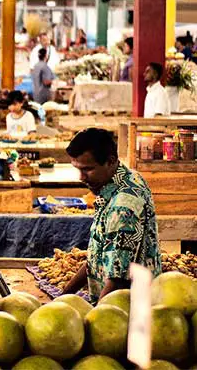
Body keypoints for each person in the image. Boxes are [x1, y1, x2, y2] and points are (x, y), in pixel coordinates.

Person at [61, 128, 161, 302]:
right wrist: (62, 297)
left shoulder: (123, 206)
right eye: (77, 169)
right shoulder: (128, 178)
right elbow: (96, 259)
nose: (81, 177)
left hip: (127, 307)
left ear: (111, 161)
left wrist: (97, 318)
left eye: (88, 169)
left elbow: (117, 279)